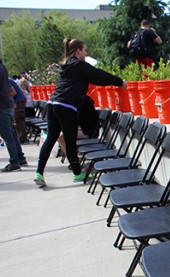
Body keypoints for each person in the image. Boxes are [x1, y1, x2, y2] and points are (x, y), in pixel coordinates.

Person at [34, 38, 127, 187]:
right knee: (70, 142)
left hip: (52, 104)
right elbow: (99, 74)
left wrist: (112, 81)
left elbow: (95, 79)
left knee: (51, 138)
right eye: (84, 50)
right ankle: (77, 173)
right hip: (66, 107)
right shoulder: (80, 65)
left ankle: (39, 173)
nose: (85, 53)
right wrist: (119, 81)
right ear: (78, 51)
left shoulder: (67, 66)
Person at [0, 60, 27, 172]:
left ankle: (14, 162)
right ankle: (20, 158)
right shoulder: (3, 66)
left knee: (7, 135)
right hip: (8, 104)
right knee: (11, 132)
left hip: (2, 106)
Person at [8, 77, 28, 143]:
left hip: (18, 101)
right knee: (17, 120)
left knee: (18, 120)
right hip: (18, 100)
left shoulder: (6, 80)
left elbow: (13, 92)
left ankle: (22, 139)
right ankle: (20, 138)